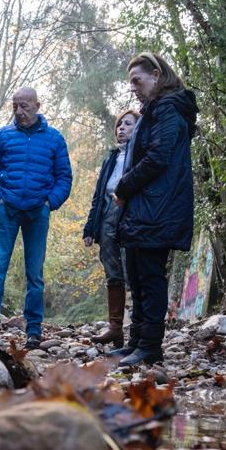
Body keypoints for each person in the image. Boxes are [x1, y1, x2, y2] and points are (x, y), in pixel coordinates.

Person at [111, 51, 197, 367]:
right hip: (143, 207)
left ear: (156, 76)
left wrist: (123, 186)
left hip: (158, 209)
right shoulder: (153, 110)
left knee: (150, 277)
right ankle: (135, 343)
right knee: (136, 276)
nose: (133, 87)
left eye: (137, 80)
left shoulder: (169, 109)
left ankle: (149, 347)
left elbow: (158, 158)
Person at [0, 86, 72, 348]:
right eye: (15, 106)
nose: (19, 111)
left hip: (37, 213)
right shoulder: (1, 136)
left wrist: (49, 203)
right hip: (7, 211)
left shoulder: (54, 139)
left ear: (37, 105)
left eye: (24, 106)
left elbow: (64, 177)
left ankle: (33, 329)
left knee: (35, 274)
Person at [83, 108, 140, 346]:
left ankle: (139, 330)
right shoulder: (110, 158)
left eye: (128, 124)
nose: (122, 128)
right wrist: (89, 228)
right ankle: (115, 327)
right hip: (107, 214)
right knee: (112, 272)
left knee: (135, 271)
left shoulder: (140, 156)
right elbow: (98, 195)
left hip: (130, 215)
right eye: (119, 125)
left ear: (138, 129)